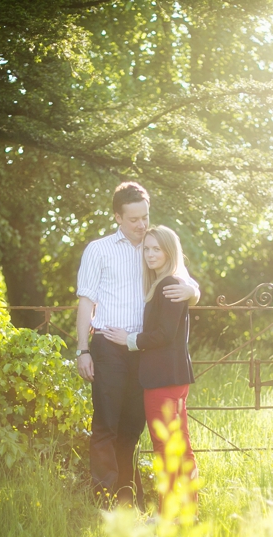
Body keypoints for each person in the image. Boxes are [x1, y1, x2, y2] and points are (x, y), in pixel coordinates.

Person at [76, 182, 199, 508]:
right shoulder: (99, 249)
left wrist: (193, 292)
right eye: (134, 219)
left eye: (145, 217)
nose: (141, 224)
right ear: (118, 216)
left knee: (132, 427)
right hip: (108, 346)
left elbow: (185, 279)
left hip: (144, 350)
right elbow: (86, 302)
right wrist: (82, 349)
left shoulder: (153, 246)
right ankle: (103, 500)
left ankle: (127, 497)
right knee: (106, 424)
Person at [103, 225, 198, 513]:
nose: (150, 254)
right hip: (172, 376)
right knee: (178, 444)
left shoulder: (170, 283)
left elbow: (164, 335)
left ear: (170, 251)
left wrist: (129, 340)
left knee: (165, 446)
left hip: (163, 379)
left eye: (157, 248)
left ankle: (168, 514)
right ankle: (186, 511)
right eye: (147, 248)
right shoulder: (164, 282)